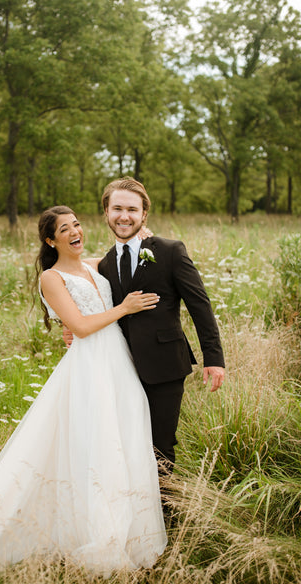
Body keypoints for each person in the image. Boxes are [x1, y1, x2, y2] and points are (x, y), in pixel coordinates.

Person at [0, 205, 167, 584]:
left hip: (119, 365)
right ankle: (99, 534)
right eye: (65, 229)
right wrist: (123, 308)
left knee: (121, 440)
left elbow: (130, 245)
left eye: (77, 225)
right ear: (50, 239)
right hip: (89, 369)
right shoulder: (51, 277)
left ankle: (126, 528)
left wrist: (137, 227)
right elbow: (78, 325)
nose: (75, 232)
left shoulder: (94, 265)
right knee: (97, 444)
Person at [66, 178, 225, 469]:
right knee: (124, 444)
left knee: (160, 447)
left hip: (164, 366)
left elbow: (199, 306)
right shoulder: (103, 264)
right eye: (117, 208)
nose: (124, 216)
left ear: (143, 214)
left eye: (131, 209)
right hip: (118, 367)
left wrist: (213, 359)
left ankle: (166, 513)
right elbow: (97, 303)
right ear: (106, 212)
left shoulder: (169, 250)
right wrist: (71, 325)